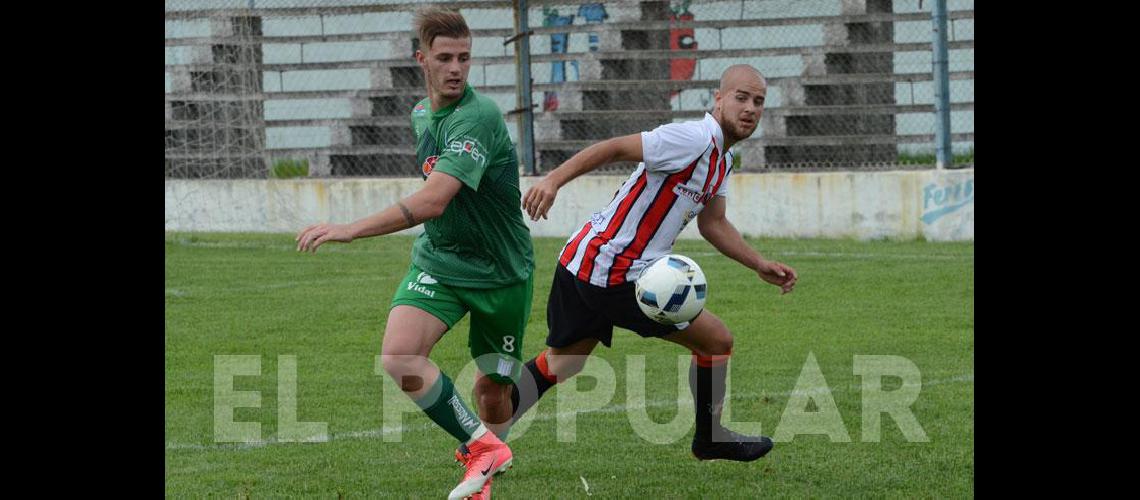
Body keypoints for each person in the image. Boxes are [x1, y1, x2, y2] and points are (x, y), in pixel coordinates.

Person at [296, 7, 532, 499]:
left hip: (501, 272)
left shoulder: (480, 116)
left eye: (464, 58)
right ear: (420, 59)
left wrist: (350, 230)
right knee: (400, 357)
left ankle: (489, 460)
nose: (456, 69)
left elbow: (433, 199)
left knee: (493, 389)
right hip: (440, 262)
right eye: (444, 58)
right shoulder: (421, 114)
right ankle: (483, 452)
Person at [510, 64, 798, 462]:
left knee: (564, 361)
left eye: (759, 101)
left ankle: (484, 435)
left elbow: (713, 223)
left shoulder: (721, 160)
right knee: (717, 340)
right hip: (616, 272)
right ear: (718, 98)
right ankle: (710, 437)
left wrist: (758, 264)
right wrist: (553, 179)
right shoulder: (691, 138)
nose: (750, 108)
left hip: (582, 259)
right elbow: (612, 148)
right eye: (741, 97)